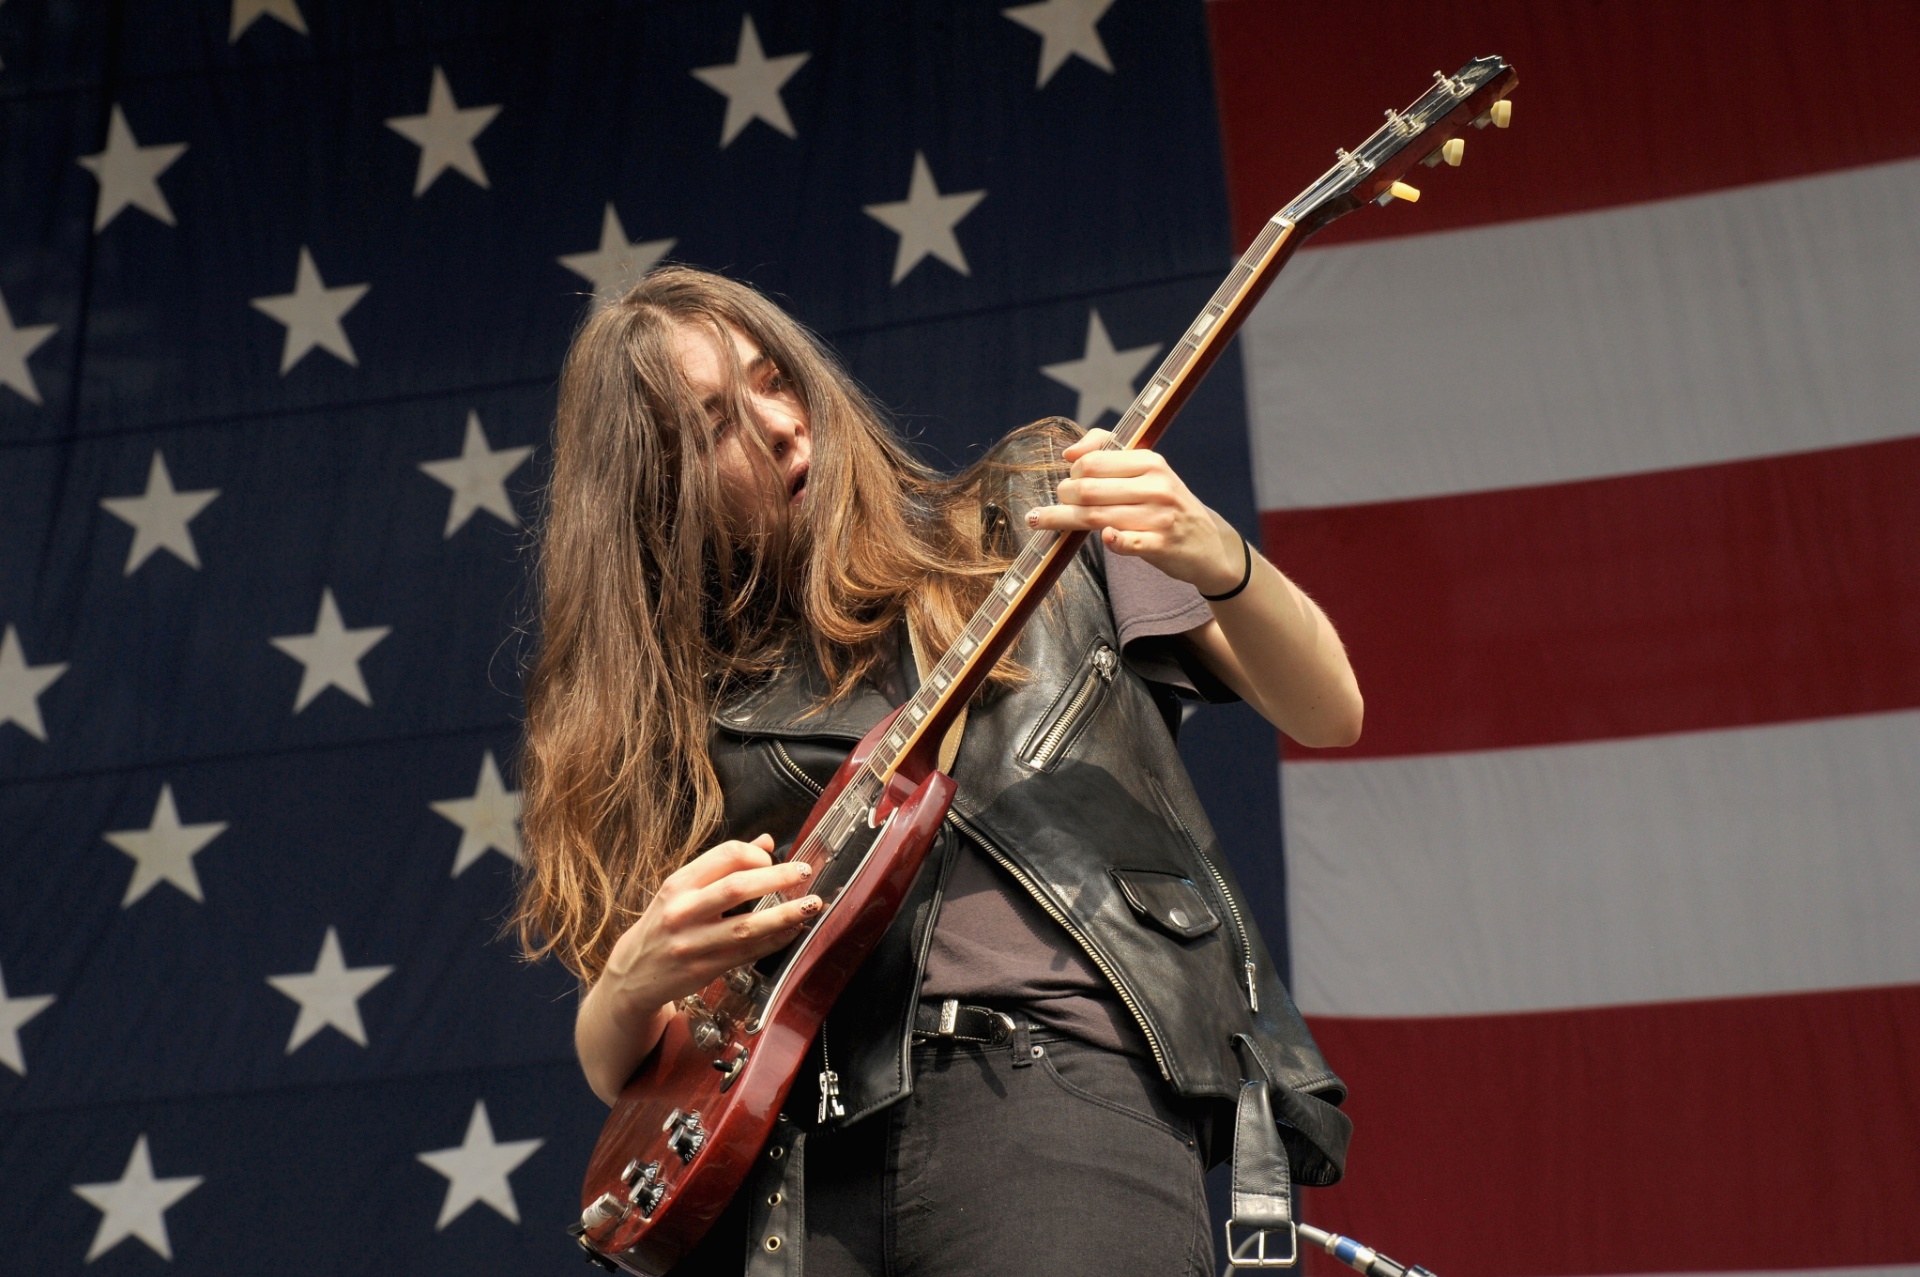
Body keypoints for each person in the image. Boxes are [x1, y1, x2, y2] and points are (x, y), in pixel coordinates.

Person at [515, 266, 1362, 1276]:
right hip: (791, 1177)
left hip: (1047, 1104)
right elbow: (641, 1061)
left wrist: (1219, 555)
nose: (780, 423)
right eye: (716, 424)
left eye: (775, 379)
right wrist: (629, 977)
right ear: (653, 489)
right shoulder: (666, 712)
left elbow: (1328, 708)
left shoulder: (1031, 517)